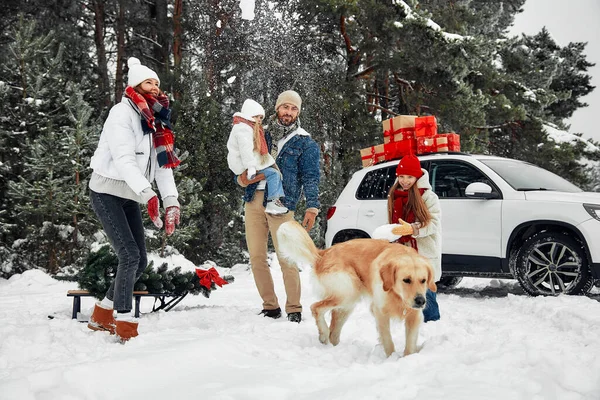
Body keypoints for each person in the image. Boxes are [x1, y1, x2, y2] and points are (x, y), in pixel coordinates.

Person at [87, 57, 181, 341]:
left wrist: (171, 201)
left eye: (157, 83)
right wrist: (147, 194)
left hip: (131, 193)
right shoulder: (122, 114)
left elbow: (162, 167)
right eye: (149, 82)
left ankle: (101, 313)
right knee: (128, 255)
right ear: (135, 86)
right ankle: (125, 322)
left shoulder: (155, 121)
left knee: (139, 261)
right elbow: (125, 160)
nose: (155, 88)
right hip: (106, 191)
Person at [237, 90, 320, 323]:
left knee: (287, 258)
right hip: (253, 199)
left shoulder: (305, 142)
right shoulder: (259, 133)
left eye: (294, 109)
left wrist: (312, 207)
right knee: (256, 256)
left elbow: (311, 177)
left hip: (283, 203)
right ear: (277, 108)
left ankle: (294, 308)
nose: (289, 113)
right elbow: (241, 162)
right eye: (285, 107)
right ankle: (270, 306)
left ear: (299, 112)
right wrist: (241, 179)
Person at [387, 154, 442, 322]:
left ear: (417, 176)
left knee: (427, 291)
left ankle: (432, 323)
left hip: (423, 252)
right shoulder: (394, 195)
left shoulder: (428, 197)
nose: (405, 181)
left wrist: (413, 229)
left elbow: (433, 223)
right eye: (401, 176)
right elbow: (391, 223)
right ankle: (412, 324)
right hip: (403, 252)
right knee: (408, 290)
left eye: (409, 177)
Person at [227, 99, 288, 214]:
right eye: (257, 117)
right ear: (250, 115)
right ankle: (273, 202)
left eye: (261, 118)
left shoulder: (248, 127)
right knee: (274, 174)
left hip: (245, 162)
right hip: (243, 164)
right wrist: (250, 167)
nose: (260, 121)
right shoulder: (244, 129)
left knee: (274, 172)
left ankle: (274, 200)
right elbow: (246, 150)